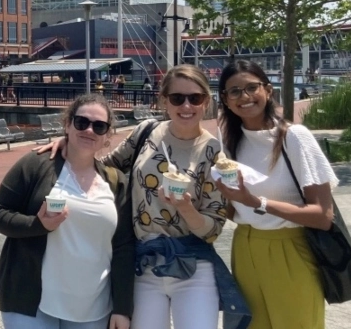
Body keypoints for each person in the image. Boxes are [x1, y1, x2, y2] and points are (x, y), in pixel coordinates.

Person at [36, 65, 248, 329]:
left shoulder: (215, 153)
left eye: (195, 98)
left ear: (206, 102)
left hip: (193, 266)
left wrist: (186, 209)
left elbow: (212, 230)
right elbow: (104, 167)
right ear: (164, 101)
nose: (186, 105)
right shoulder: (147, 132)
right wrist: (69, 141)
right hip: (143, 264)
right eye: (177, 98)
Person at [0, 93, 135, 329]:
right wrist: (38, 225)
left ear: (107, 135)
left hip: (92, 307)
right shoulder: (36, 164)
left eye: (99, 126)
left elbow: (124, 248)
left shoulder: (115, 182)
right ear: (67, 124)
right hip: (31, 302)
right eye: (81, 122)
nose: (89, 130)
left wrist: (122, 307)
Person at [213, 60, 338, 329]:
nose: (244, 97)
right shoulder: (231, 144)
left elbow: (323, 216)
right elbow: (236, 212)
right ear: (225, 99)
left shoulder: (294, 137)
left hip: (290, 249)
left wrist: (258, 202)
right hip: (245, 248)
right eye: (234, 91)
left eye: (251, 88)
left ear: (268, 90)